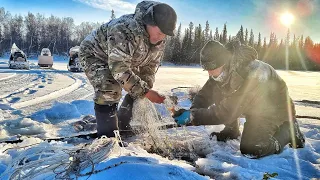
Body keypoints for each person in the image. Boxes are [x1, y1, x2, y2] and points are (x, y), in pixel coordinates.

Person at [173, 40, 305, 158]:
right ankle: (232, 130)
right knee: (219, 91)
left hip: (274, 108)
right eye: (206, 69)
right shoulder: (221, 72)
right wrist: (193, 111)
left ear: (224, 62)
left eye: (212, 68)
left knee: (251, 148)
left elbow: (227, 112)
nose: (210, 73)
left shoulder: (253, 73)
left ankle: (289, 130)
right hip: (253, 105)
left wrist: (192, 117)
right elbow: (205, 94)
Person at [79, 1, 177, 137]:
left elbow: (150, 66)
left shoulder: (160, 40)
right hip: (95, 54)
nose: (160, 38)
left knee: (142, 86)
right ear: (148, 22)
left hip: (123, 59)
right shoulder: (124, 29)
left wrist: (145, 88)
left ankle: (122, 123)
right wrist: (146, 93)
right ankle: (107, 135)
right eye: (159, 32)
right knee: (110, 88)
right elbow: (119, 69)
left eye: (164, 35)